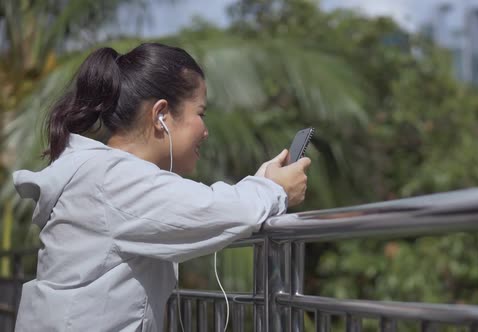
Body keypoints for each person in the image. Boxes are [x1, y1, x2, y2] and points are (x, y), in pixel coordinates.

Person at [12, 43, 311, 332]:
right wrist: (275, 190)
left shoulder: (106, 174)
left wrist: (263, 184)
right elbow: (211, 210)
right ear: (160, 115)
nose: (205, 131)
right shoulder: (114, 179)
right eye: (200, 113)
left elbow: (204, 206)